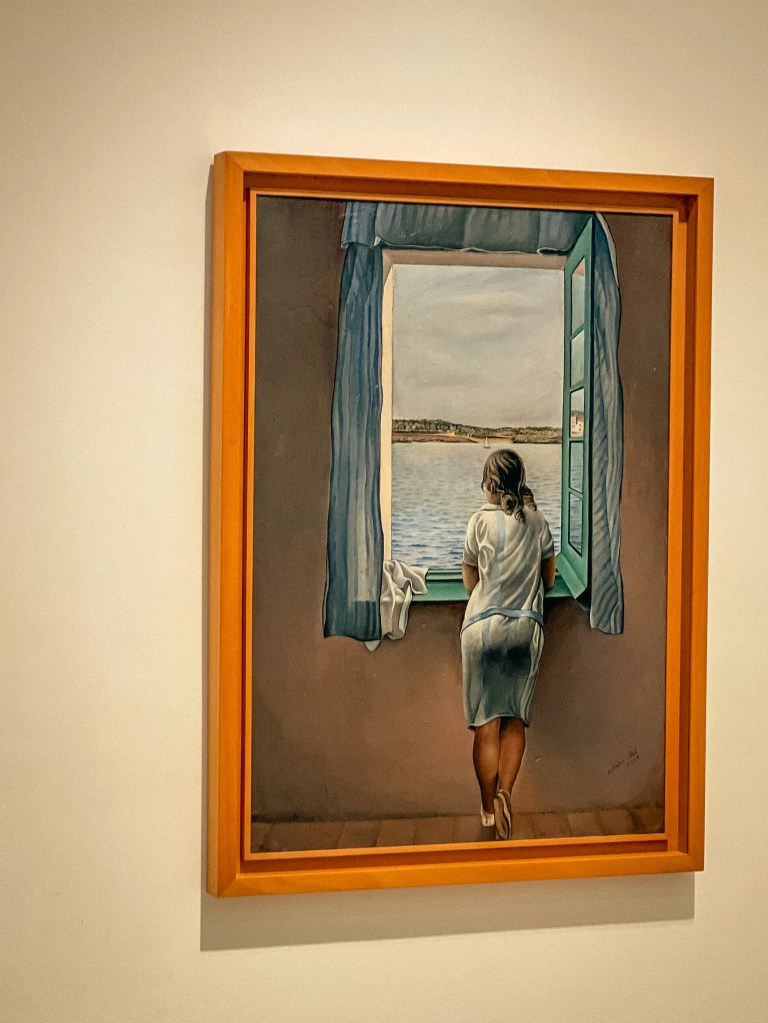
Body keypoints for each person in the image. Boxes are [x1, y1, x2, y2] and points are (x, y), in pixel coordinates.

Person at [461, 448, 556, 841]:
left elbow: (470, 581)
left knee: (486, 726)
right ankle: (505, 794)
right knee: (514, 720)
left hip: (482, 632)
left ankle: (487, 810)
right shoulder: (538, 521)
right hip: (524, 632)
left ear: (490, 485)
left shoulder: (478, 522)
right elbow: (548, 579)